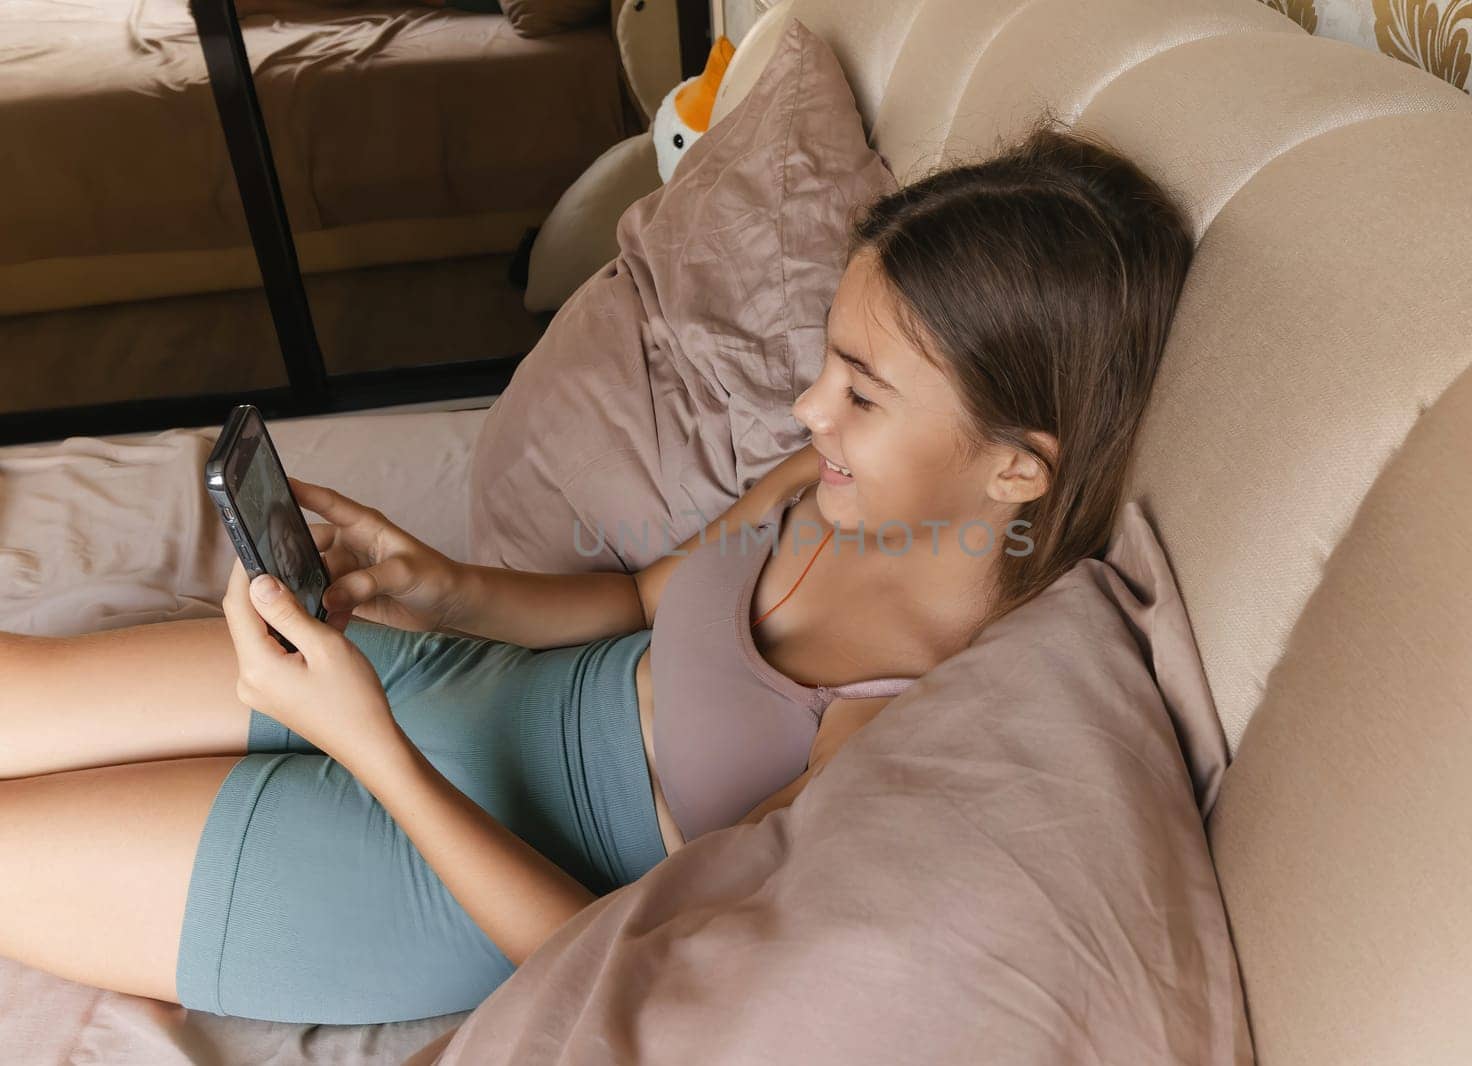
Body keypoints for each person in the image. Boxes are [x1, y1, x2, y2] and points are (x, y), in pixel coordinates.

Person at [0, 115, 1195, 1025]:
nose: (807, 405)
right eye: (830, 361)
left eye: (861, 391)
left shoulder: (917, 718)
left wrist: (367, 744)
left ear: (1016, 470)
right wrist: (440, 585)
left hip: (440, 867)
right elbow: (638, 601)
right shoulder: (835, 481)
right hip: (451, 682)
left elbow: (628, 958)